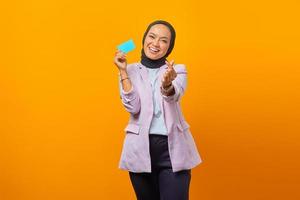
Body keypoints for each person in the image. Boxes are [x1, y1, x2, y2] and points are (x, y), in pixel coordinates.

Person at [114, 20, 202, 200]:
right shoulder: (129, 70)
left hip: (173, 150)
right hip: (139, 150)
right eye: (152, 37)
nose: (155, 43)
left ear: (169, 47)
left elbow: (172, 95)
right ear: (144, 39)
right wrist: (123, 71)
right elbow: (133, 107)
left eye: (163, 40)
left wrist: (168, 83)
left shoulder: (177, 69)